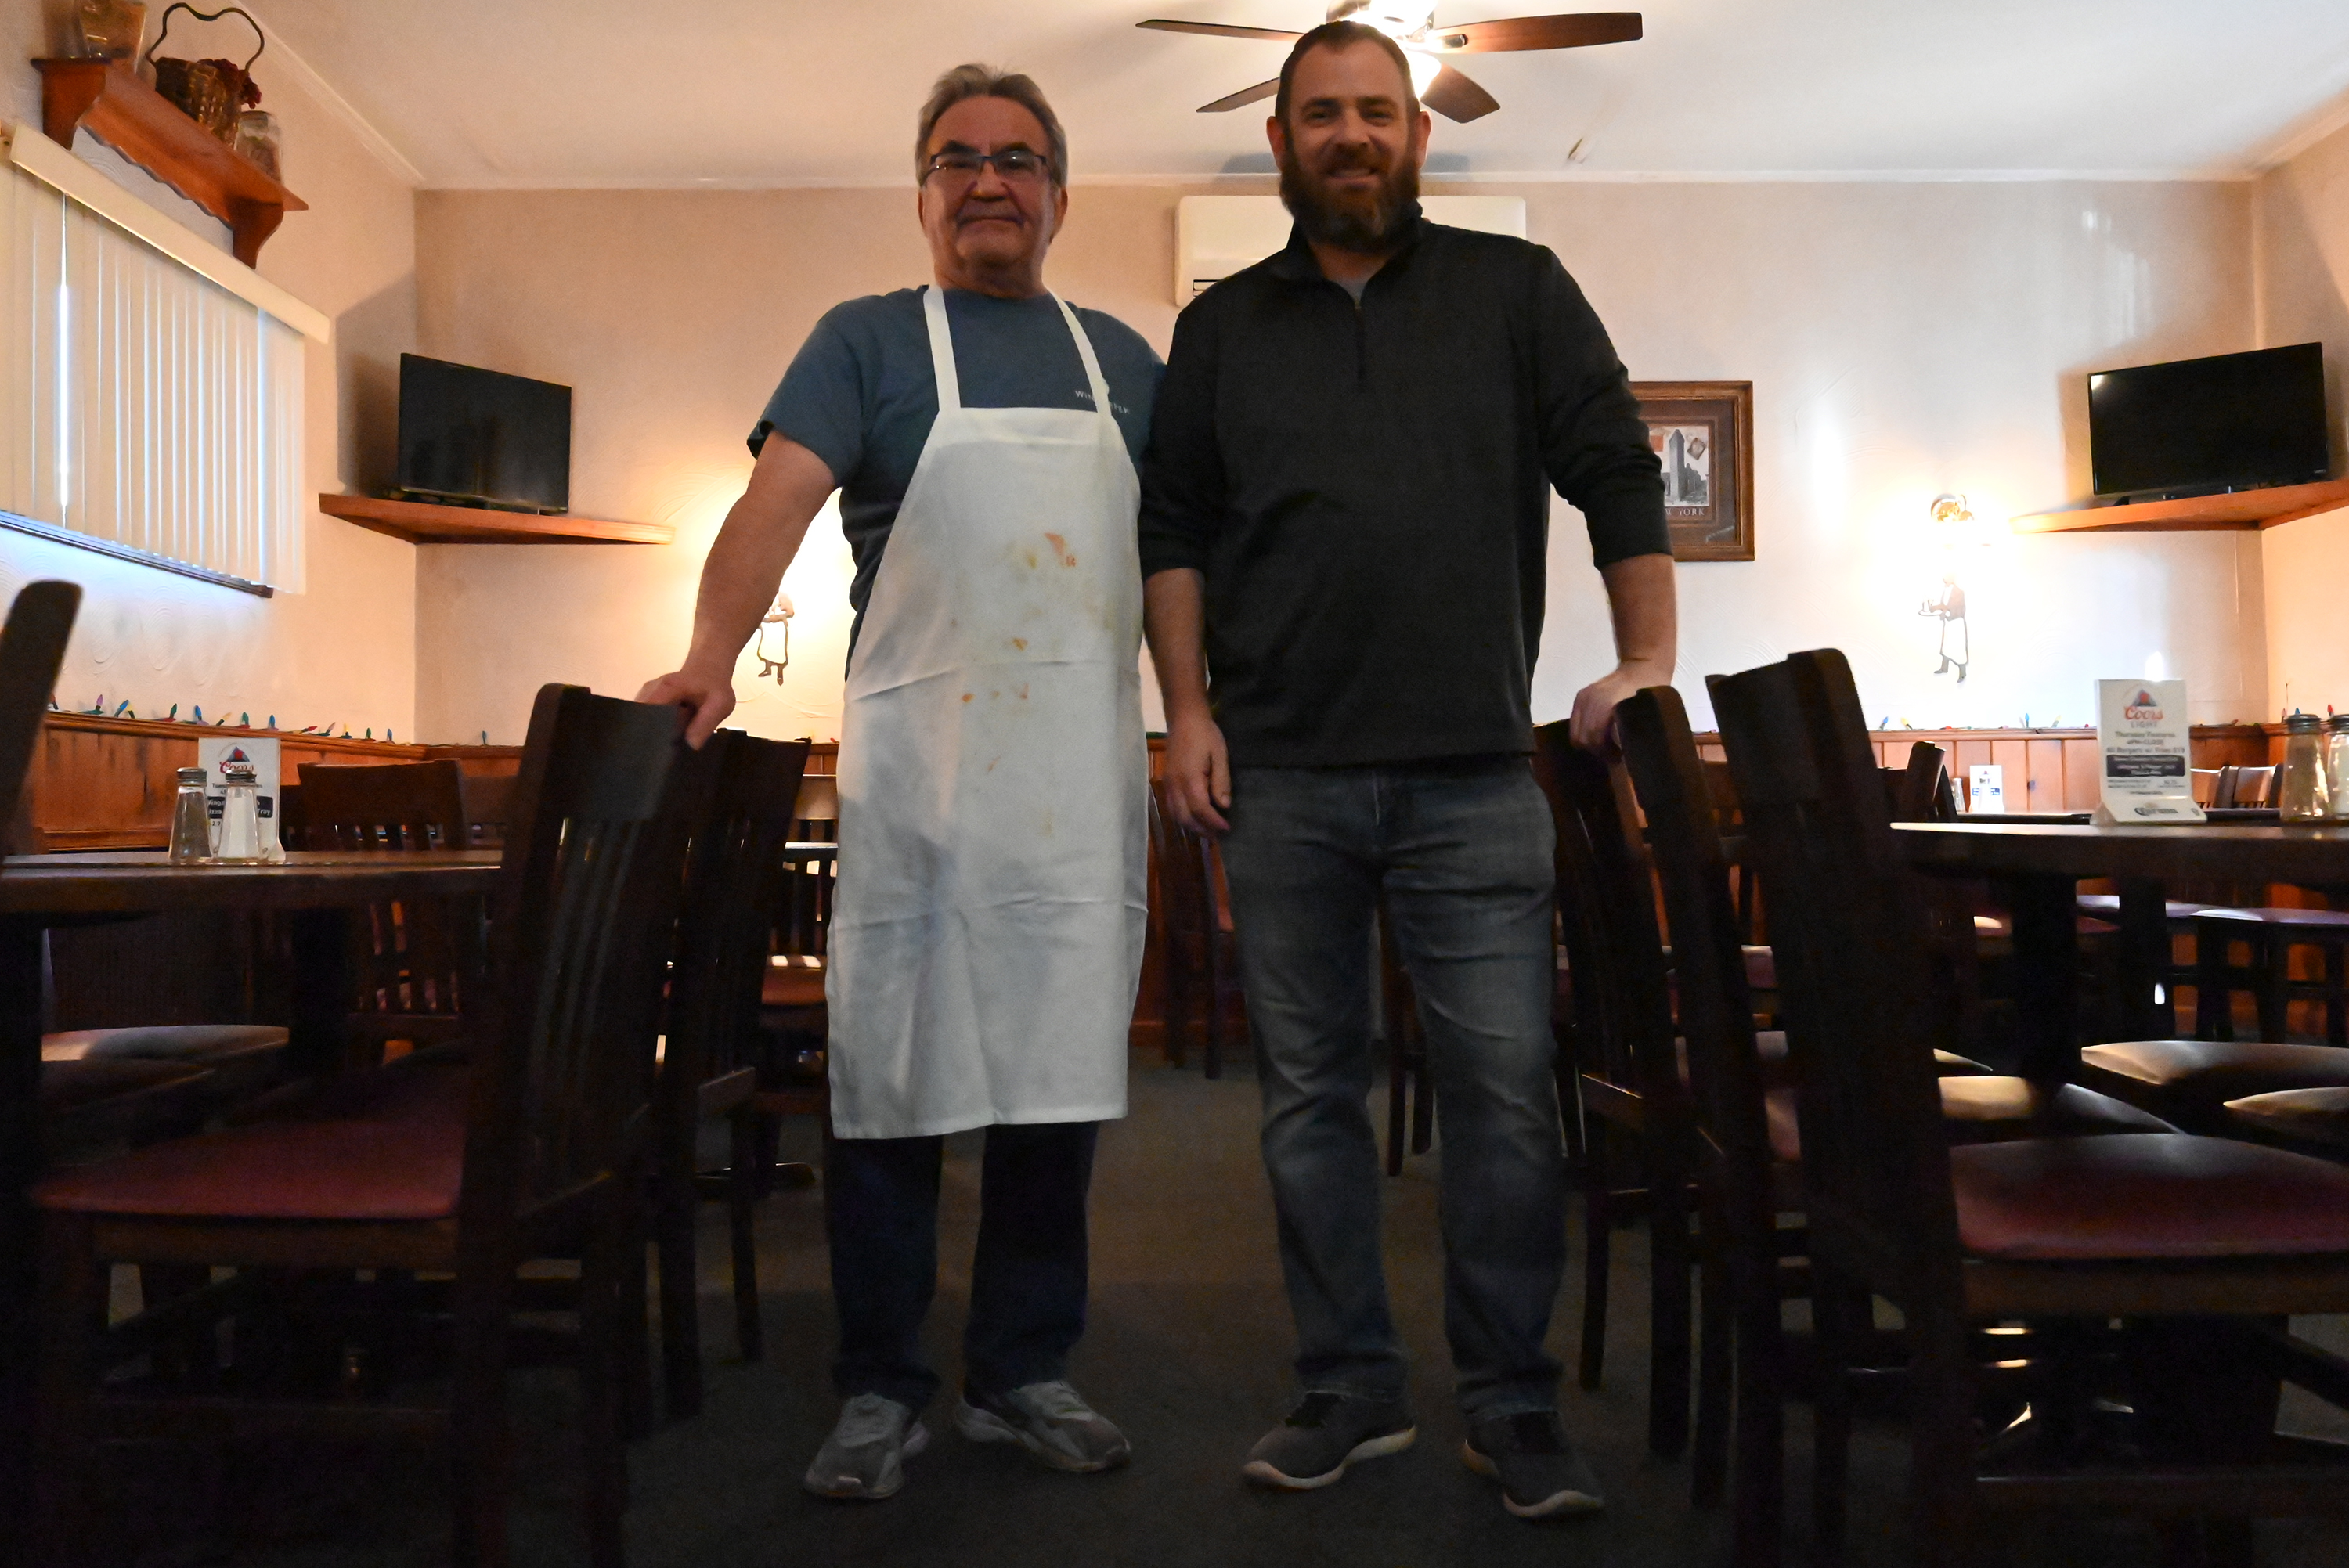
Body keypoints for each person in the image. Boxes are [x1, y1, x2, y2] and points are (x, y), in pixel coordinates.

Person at [1138, 20, 1676, 1523]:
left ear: (1421, 134)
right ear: (1280, 142)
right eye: (1322, 115)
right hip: (1281, 781)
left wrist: (1646, 658)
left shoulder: (1519, 291)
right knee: (1308, 1098)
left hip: (1474, 780)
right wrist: (1185, 707)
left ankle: (1512, 1402)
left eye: (1378, 111)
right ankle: (1348, 1386)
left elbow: (1617, 466)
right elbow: (1173, 528)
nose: (1353, 136)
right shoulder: (1220, 330)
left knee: (1504, 1099)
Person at [638, 63, 1161, 1502]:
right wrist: (707, 659)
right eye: (957, 159)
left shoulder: (1127, 363)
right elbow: (771, 507)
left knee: (1056, 1081)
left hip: (1074, 785)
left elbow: (1187, 560)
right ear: (923, 193)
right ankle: (880, 1386)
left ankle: (1023, 1371)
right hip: (925, 783)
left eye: (1018, 158)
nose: (989, 180)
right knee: (893, 1086)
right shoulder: (864, 341)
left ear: (1061, 193)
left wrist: (1207, 714)